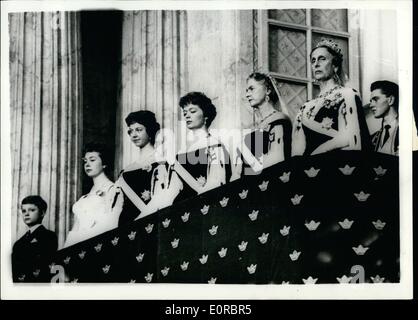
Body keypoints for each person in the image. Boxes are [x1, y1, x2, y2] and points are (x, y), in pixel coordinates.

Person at [292, 38, 371, 156]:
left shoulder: (348, 95)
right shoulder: (305, 107)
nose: (316, 64)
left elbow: (356, 140)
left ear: (335, 66)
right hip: (309, 170)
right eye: (313, 61)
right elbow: (297, 153)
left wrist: (320, 150)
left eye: (322, 59)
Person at [169, 92, 232, 201]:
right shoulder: (181, 153)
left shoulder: (215, 146)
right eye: (185, 113)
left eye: (192, 111)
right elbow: (172, 193)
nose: (187, 116)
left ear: (206, 116)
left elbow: (215, 186)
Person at [117, 110, 177, 224]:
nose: (134, 135)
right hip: (125, 225)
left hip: (150, 222)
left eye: (139, 130)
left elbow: (164, 200)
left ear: (149, 131)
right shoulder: (126, 171)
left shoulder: (163, 163)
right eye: (130, 131)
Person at [64, 144, 123, 247]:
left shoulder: (113, 189)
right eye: (85, 161)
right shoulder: (83, 198)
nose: (87, 164)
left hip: (97, 245)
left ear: (104, 164)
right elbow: (75, 230)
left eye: (92, 160)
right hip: (78, 249)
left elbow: (111, 224)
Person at [235, 72, 292, 177]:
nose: (247, 94)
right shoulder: (253, 127)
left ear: (267, 90)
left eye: (252, 89)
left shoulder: (279, 120)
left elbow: (277, 158)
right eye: (247, 90)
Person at [12, 195, 58, 282]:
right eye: (23, 211)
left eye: (32, 210)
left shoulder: (48, 236)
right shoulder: (18, 243)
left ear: (42, 213)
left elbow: (44, 263)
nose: (26, 214)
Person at [369, 80, 399, 155]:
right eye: (371, 101)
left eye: (376, 99)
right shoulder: (372, 139)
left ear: (390, 100)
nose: (371, 105)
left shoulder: (408, 133)